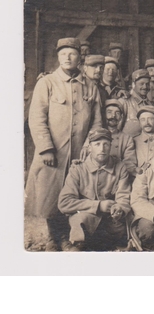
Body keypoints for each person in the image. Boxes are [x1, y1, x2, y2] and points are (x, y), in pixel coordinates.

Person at [25, 38, 102, 251]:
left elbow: (96, 122)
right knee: (50, 198)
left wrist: (90, 150)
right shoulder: (47, 83)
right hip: (53, 154)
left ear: (80, 58)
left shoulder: (90, 86)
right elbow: (36, 117)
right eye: (62, 54)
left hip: (80, 154)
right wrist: (46, 148)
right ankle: (52, 238)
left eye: (72, 54)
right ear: (58, 57)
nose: (67, 58)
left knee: (75, 196)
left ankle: (70, 239)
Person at [58, 128, 131, 251]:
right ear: (90, 148)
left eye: (106, 144)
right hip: (85, 221)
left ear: (110, 146)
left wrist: (120, 208)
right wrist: (98, 205)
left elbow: (124, 196)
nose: (102, 149)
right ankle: (74, 245)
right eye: (97, 144)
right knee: (81, 222)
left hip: (110, 221)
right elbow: (64, 202)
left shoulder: (120, 167)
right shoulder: (78, 169)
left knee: (127, 229)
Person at [81, 99, 137, 177]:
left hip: (116, 176)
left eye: (117, 113)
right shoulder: (92, 136)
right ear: (103, 115)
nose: (113, 116)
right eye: (109, 112)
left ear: (121, 117)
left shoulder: (127, 139)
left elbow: (129, 163)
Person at [120, 69, 153, 137]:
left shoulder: (150, 105)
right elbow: (116, 130)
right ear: (133, 84)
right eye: (141, 84)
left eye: (147, 84)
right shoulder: (124, 102)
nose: (145, 87)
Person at [133, 105, 154, 173]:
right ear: (139, 123)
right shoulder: (132, 141)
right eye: (143, 120)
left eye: (151, 119)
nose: (147, 123)